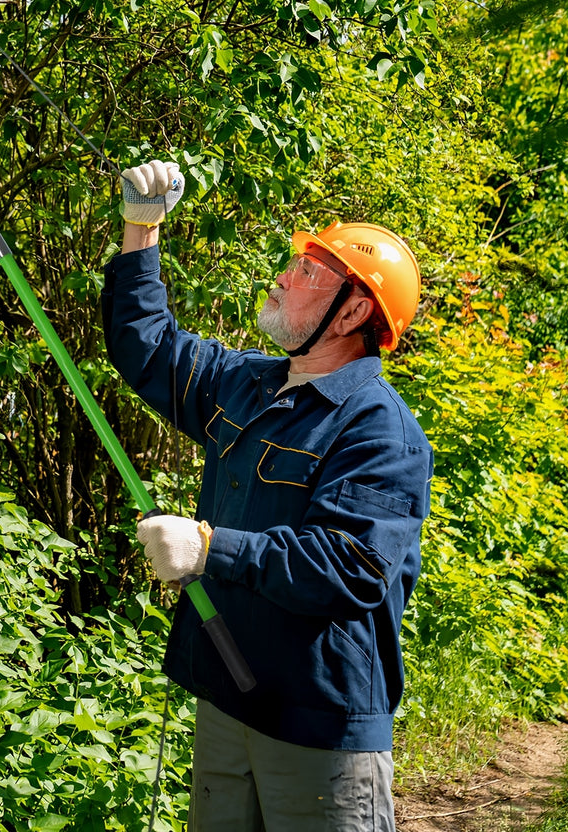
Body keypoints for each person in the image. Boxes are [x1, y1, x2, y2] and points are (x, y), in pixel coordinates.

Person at [101, 160, 433, 832]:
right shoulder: (250, 385)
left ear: (355, 312)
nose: (285, 276)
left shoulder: (381, 431)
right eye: (296, 262)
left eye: (311, 272)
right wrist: (143, 231)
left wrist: (207, 547)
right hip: (226, 698)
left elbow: (347, 569)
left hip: (318, 729)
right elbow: (149, 348)